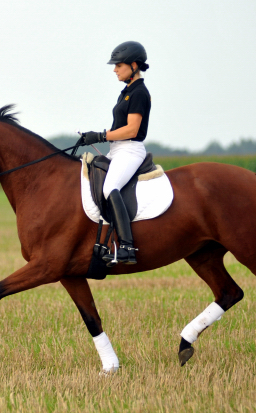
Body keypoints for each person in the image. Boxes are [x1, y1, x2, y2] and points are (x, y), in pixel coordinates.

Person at [81, 41, 151, 266]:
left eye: (118, 65)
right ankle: (103, 243)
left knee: (110, 187)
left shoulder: (139, 92)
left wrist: (101, 135)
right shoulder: (127, 91)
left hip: (130, 150)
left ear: (133, 65)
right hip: (118, 149)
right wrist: (93, 136)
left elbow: (131, 129)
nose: (114, 70)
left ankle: (128, 247)